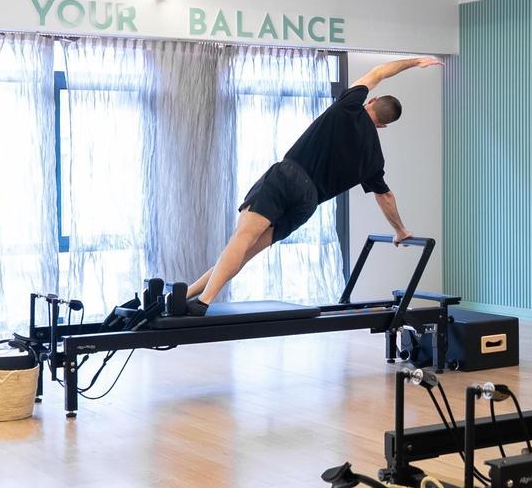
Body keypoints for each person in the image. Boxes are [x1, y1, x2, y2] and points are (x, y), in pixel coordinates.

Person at [182, 57, 443, 315]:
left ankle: (203, 301)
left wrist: (415, 62)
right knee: (245, 252)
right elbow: (385, 196)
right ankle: (186, 296)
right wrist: (400, 230)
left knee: (241, 240)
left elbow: (379, 72)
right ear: (383, 126)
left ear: (372, 102)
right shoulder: (374, 157)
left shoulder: (350, 105)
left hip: (289, 175)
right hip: (308, 203)